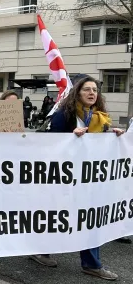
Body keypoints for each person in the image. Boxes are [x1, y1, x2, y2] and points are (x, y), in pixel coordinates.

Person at [33, 75, 122, 281]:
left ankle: (92, 264)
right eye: (87, 89)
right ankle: (40, 249)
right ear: (77, 93)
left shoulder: (100, 117)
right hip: (65, 180)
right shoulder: (63, 115)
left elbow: (102, 145)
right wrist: (69, 138)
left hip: (89, 180)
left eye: (95, 90)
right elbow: (47, 143)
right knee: (57, 218)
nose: (92, 93)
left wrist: (115, 137)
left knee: (90, 219)